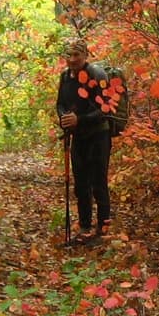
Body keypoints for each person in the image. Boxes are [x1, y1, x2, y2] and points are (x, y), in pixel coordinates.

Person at [56, 38, 114, 242]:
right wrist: (64, 118)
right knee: (81, 184)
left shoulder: (96, 75)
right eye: (69, 55)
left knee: (99, 182)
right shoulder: (65, 77)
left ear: (85, 56)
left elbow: (106, 109)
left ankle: (104, 227)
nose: (72, 59)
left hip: (98, 135)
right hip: (78, 137)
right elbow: (60, 104)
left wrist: (79, 119)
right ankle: (85, 228)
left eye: (76, 55)